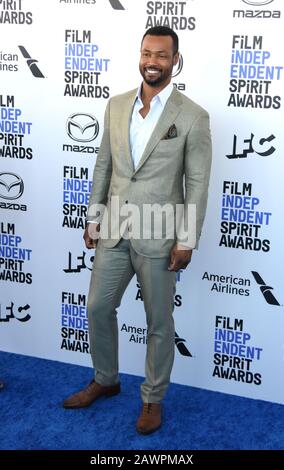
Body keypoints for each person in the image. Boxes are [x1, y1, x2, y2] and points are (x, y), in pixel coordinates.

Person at [63, 26, 212, 435]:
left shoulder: (192, 115)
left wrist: (187, 238)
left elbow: (197, 183)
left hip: (161, 236)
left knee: (159, 322)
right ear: (139, 55)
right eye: (147, 53)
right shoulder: (116, 105)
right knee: (96, 307)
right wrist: (94, 216)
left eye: (162, 55)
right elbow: (104, 166)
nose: (153, 61)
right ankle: (106, 379)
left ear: (175, 61)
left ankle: (152, 398)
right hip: (114, 228)